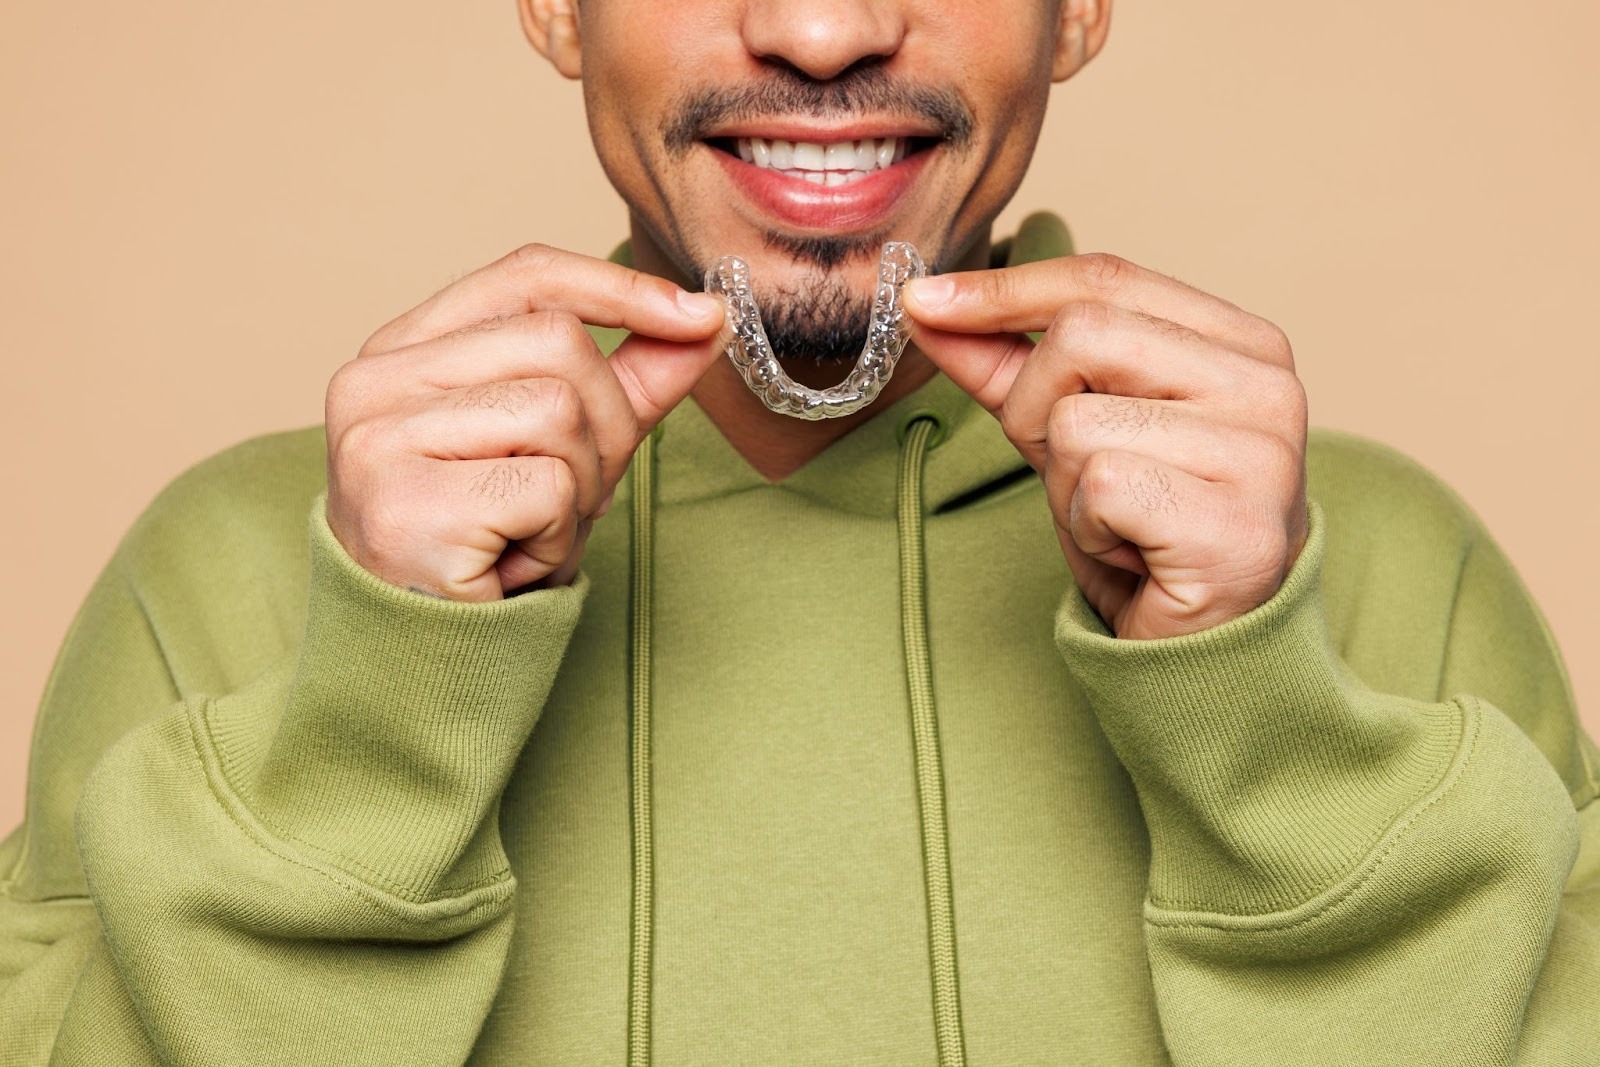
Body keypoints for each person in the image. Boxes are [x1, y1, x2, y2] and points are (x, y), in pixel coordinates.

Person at [2, 0, 1596, 1062]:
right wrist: (380, 715)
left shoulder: (1382, 569)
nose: (823, 32)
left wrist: (1263, 722)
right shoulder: (229, 571)